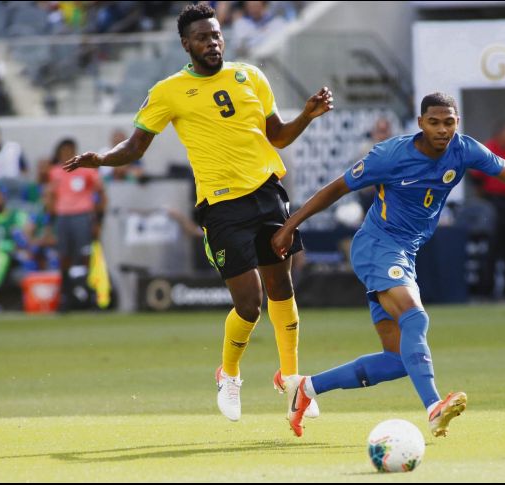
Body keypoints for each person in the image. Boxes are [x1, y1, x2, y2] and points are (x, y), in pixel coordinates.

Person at [62, 4, 332, 423]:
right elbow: (134, 147)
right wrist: (101, 158)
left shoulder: (251, 76)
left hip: (267, 194)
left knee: (282, 287)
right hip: (222, 206)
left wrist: (307, 117)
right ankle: (229, 374)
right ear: (186, 44)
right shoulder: (169, 90)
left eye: (217, 35)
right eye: (203, 38)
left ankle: (294, 382)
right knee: (249, 304)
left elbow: (276, 136)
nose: (213, 43)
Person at [271, 92, 505, 438]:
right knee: (415, 315)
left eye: (449, 122)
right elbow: (335, 189)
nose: (442, 130)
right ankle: (434, 407)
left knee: (396, 360)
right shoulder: (390, 155)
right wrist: (290, 225)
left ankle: (306, 388)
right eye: (434, 122)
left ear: (457, 123)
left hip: (405, 252)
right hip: (377, 245)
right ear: (421, 123)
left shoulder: (464, 150)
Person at [46, 138, 106, 312]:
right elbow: (51, 198)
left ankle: (91, 295)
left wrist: (98, 219)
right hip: (63, 217)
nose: (67, 154)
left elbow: (101, 193)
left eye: (70, 151)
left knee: (85, 256)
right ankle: (66, 296)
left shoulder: (86, 171)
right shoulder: (55, 172)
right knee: (64, 256)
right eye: (63, 151)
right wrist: (50, 223)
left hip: (82, 216)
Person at [469, 121, 505, 297]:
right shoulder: (488, 148)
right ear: (500, 133)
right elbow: (474, 175)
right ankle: (487, 288)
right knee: (493, 247)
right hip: (493, 201)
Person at [0, 183, 29, 310]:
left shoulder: (16, 216)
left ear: (3, 197)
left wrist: (1, 246)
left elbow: (26, 242)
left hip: (8, 256)